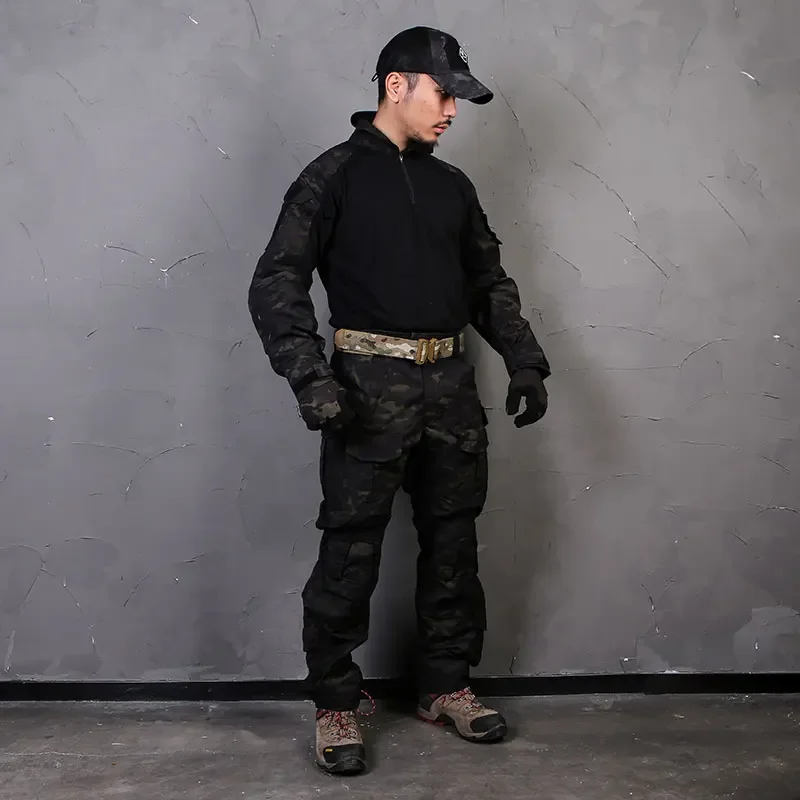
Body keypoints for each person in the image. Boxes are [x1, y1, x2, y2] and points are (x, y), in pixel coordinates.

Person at [248, 25, 550, 776]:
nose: (452, 111)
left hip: (450, 387)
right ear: (396, 85)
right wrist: (311, 379)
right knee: (350, 549)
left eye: (457, 99)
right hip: (364, 390)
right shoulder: (333, 177)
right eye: (444, 94)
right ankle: (335, 702)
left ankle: (446, 685)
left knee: (454, 543)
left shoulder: (453, 187)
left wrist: (524, 360)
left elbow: (487, 281)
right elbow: (276, 282)